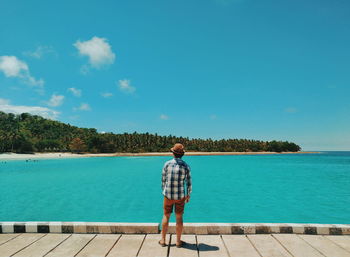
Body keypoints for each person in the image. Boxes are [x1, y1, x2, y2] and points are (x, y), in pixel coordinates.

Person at [159, 143, 192, 248]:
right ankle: (178, 242)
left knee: (166, 216)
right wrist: (188, 195)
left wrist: (164, 191)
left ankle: (163, 240)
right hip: (180, 196)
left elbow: (163, 180)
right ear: (182, 154)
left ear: (173, 153)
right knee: (179, 217)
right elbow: (189, 182)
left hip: (168, 195)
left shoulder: (167, 164)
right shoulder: (186, 166)